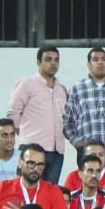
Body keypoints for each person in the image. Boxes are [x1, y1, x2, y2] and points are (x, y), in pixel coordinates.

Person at [7, 45, 70, 183]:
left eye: (56, 60)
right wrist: (25, 135)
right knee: (26, 189)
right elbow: (13, 113)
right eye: (48, 59)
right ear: (38, 62)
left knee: (49, 192)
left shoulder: (62, 89)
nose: (53, 63)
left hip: (57, 151)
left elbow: (65, 118)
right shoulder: (27, 84)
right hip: (32, 149)